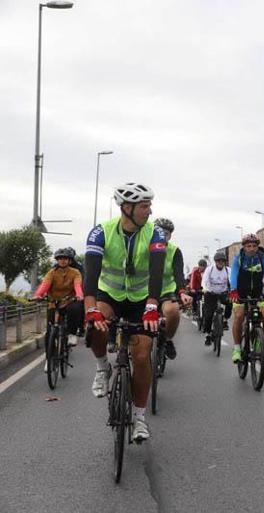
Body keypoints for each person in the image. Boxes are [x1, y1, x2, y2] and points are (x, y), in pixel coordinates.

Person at [83, 182, 165, 442]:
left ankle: (140, 418)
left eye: (150, 205)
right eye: (144, 206)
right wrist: (90, 309)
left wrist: (153, 305)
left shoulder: (155, 234)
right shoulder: (101, 233)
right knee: (95, 324)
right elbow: (91, 276)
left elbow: (156, 272)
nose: (149, 211)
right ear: (126, 208)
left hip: (142, 299)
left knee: (141, 355)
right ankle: (101, 367)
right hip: (110, 294)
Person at [228, 233, 264, 364]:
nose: (251, 248)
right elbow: (233, 274)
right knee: (239, 316)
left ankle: (260, 338)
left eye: (254, 246)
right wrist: (233, 289)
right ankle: (237, 349)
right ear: (244, 247)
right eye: (248, 246)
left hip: (257, 292)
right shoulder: (238, 258)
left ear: (258, 246)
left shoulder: (263, 259)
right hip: (240, 292)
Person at [153, 218, 191, 359]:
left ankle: (167, 340)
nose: (163, 236)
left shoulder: (174, 251)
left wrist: (182, 292)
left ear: (170, 236)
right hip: (142, 290)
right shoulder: (143, 245)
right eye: (159, 232)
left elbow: (178, 274)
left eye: (166, 233)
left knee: (172, 311)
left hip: (166, 290)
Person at [32, 248, 84, 348]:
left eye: (65, 258)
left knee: (74, 309)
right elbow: (45, 285)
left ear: (69, 260)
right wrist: (38, 295)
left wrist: (79, 295)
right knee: (49, 330)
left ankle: (72, 334)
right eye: (60, 258)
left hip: (69, 300)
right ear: (57, 260)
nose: (62, 260)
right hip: (54, 302)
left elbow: (77, 285)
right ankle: (49, 358)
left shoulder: (75, 272)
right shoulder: (52, 273)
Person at [202, 251, 232, 345]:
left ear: (225, 262)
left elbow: (232, 281)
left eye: (222, 261)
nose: (220, 263)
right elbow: (204, 281)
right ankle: (207, 334)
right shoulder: (209, 269)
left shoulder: (228, 270)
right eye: (218, 261)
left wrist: (233, 290)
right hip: (211, 293)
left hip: (223, 293)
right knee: (208, 315)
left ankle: (225, 320)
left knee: (230, 302)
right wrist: (205, 289)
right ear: (215, 261)